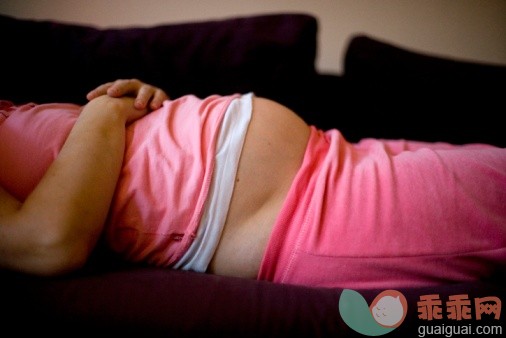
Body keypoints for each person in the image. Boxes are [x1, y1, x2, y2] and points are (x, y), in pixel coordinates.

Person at [1, 79, 505, 289]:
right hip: (309, 210)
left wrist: (147, 107)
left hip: (331, 153)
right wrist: (104, 115)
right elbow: (46, 243)